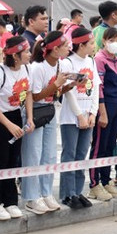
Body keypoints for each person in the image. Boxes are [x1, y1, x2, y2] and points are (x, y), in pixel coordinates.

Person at [0, 36, 31, 221]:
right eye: (26, 51)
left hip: (16, 115)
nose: (29, 54)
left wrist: (30, 119)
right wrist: (8, 124)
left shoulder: (26, 68)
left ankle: (10, 201)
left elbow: (29, 93)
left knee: (13, 160)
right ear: (15, 56)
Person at [24, 30, 73, 214]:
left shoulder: (59, 65)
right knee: (33, 154)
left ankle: (46, 192)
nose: (68, 48)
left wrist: (68, 86)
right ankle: (31, 196)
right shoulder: (38, 67)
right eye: (64, 46)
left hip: (50, 112)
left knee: (50, 155)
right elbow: (35, 95)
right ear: (53, 49)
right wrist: (56, 84)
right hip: (35, 113)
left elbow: (55, 93)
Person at [59, 27, 97, 209]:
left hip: (87, 114)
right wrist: (79, 115)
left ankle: (77, 190)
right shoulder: (67, 63)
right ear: (81, 45)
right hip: (71, 117)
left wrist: (93, 113)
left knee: (82, 155)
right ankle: (67, 193)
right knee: (70, 154)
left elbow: (95, 88)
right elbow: (68, 93)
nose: (93, 46)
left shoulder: (91, 61)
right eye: (90, 43)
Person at [88, 27, 117, 200]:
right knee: (99, 146)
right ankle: (94, 184)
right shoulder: (99, 59)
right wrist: (102, 112)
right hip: (104, 105)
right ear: (104, 41)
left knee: (110, 146)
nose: (115, 44)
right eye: (112, 40)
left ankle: (105, 180)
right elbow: (99, 87)